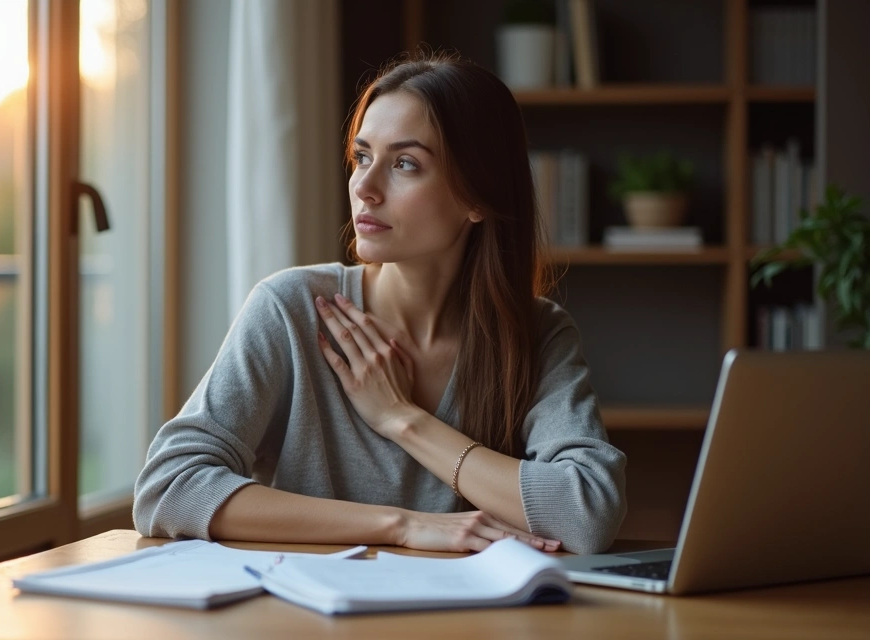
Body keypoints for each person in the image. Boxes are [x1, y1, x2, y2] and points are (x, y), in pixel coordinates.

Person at [133, 53, 627, 555]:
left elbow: (586, 514)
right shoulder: (291, 309)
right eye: (362, 156)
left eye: (405, 164)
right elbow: (168, 489)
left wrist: (403, 419)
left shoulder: (537, 332)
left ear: (478, 197)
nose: (364, 189)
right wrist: (399, 525)